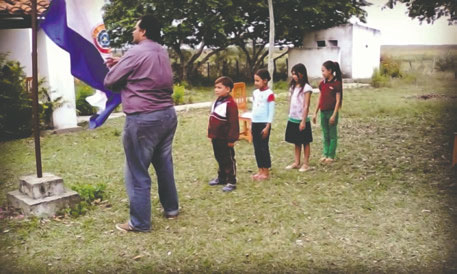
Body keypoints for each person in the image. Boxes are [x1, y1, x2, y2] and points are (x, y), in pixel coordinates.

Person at [104, 15, 179, 232]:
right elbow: (149, 73)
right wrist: (124, 64)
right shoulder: (161, 51)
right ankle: (171, 209)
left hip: (143, 118)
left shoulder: (135, 52)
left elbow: (110, 81)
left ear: (143, 31)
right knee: (164, 164)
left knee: (136, 170)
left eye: (135, 28)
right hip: (167, 115)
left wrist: (120, 66)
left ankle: (139, 222)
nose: (133, 31)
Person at [208, 76, 239, 192]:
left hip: (226, 138)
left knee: (228, 159)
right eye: (215, 87)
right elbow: (213, 119)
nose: (216, 90)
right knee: (219, 157)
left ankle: (231, 180)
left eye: (219, 87)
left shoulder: (231, 104)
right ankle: (221, 177)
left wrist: (232, 139)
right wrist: (211, 134)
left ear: (228, 89)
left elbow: (234, 123)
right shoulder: (217, 101)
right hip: (216, 137)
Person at [312, 60, 343, 164]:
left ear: (330, 71)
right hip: (323, 112)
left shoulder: (336, 84)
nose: (322, 73)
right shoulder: (322, 84)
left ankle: (331, 155)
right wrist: (315, 112)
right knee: (325, 134)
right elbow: (320, 98)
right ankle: (325, 154)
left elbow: (338, 101)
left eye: (323, 70)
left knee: (332, 134)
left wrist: (334, 115)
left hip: (331, 112)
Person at [285, 63, 313, 172]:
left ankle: (306, 163)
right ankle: (296, 162)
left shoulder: (306, 88)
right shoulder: (293, 87)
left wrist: (303, 121)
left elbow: (306, 105)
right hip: (293, 118)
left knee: (305, 142)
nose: (294, 76)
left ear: (301, 74)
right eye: (292, 74)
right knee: (296, 141)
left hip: (302, 119)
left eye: (295, 74)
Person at [251, 69, 275, 180]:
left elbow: (271, 111)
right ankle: (260, 169)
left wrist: (267, 126)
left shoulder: (269, 94)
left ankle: (266, 171)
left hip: (263, 124)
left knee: (263, 147)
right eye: (255, 80)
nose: (255, 83)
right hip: (254, 122)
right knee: (256, 147)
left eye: (258, 81)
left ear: (265, 81)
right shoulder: (255, 93)